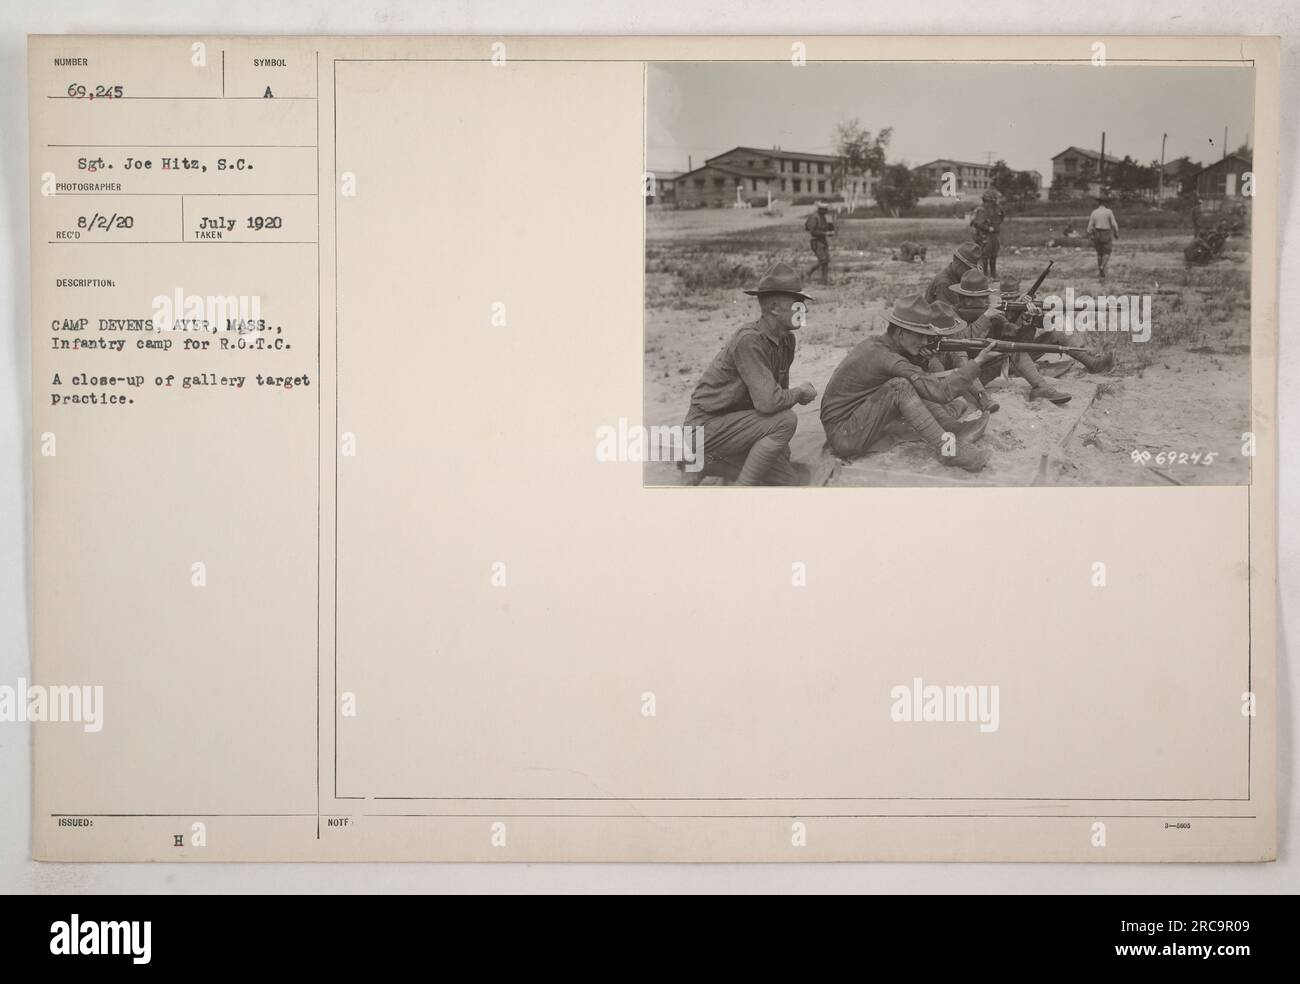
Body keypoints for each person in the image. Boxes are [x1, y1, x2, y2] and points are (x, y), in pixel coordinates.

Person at [819, 294, 998, 472]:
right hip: (844, 435)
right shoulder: (886, 357)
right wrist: (977, 362)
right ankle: (949, 450)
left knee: (910, 381)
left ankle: (951, 427)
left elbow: (917, 380)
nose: (925, 341)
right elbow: (941, 392)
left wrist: (920, 361)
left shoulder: (879, 345)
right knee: (900, 387)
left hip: (850, 424)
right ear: (901, 333)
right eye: (920, 336)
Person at [681, 263, 819, 486]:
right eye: (798, 303)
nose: (804, 309)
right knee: (786, 421)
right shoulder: (749, 340)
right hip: (705, 428)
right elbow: (769, 403)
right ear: (774, 308)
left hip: (735, 428)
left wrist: (780, 449)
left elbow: (777, 400)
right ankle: (742, 490)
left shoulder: (786, 341)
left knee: (788, 480)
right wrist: (800, 392)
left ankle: (711, 463)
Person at [947, 269, 1072, 405]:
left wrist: (1026, 322)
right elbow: (958, 342)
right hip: (959, 377)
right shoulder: (950, 314)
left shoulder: (991, 313)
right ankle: (982, 398)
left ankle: (1041, 387)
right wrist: (985, 318)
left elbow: (1018, 340)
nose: (987, 300)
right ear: (968, 300)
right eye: (983, 297)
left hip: (981, 372)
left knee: (1012, 348)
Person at [997, 276, 1113, 375]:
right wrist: (1021, 318)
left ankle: (1091, 363)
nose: (1010, 301)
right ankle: (1025, 369)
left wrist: (1036, 315)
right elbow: (1010, 338)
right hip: (1005, 359)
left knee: (1058, 331)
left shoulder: (1023, 306)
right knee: (1029, 367)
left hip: (1024, 350)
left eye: (1013, 298)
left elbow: (1046, 325)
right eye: (1006, 299)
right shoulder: (996, 311)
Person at [923, 241, 982, 306]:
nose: (971, 273)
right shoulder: (944, 283)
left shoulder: (957, 276)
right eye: (968, 269)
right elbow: (947, 313)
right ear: (958, 265)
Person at [970, 190, 1005, 276]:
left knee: (994, 254)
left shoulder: (998, 208)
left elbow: (1001, 217)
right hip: (984, 235)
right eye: (994, 199)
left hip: (995, 234)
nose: (996, 201)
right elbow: (976, 223)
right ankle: (985, 274)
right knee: (985, 255)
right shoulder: (981, 209)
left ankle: (993, 274)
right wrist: (988, 228)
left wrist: (995, 226)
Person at [1087, 193, 1120, 280]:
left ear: (1099, 203)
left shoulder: (1094, 212)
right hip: (1106, 232)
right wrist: (1116, 232)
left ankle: (1100, 270)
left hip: (1097, 233)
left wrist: (1090, 234)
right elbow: (1114, 224)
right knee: (1107, 252)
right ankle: (1102, 267)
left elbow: (1090, 226)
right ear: (1106, 203)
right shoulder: (1109, 212)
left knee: (1099, 253)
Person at [804, 200, 835, 285]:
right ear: (820, 209)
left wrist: (831, 224)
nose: (826, 211)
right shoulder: (814, 217)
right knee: (822, 260)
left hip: (823, 241)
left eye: (826, 209)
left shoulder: (823, 218)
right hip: (816, 241)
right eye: (824, 209)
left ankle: (824, 280)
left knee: (826, 261)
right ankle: (808, 272)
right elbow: (813, 231)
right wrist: (826, 233)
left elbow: (828, 229)